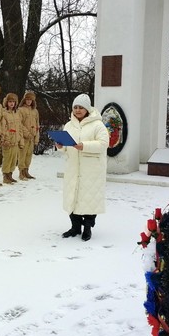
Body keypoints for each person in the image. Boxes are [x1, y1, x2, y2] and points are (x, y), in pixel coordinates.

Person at [54, 94, 108, 241]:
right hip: (73, 168)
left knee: (88, 198)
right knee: (73, 197)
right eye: (75, 107)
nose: (77, 110)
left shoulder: (98, 125)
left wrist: (84, 146)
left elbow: (103, 144)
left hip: (91, 169)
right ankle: (75, 227)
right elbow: (65, 147)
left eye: (81, 107)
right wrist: (60, 145)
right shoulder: (69, 125)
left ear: (87, 109)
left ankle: (87, 228)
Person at [0, 92, 22, 184]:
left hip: (15, 141)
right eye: (10, 102)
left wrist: (20, 139)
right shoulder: (4, 113)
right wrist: (5, 139)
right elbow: (3, 127)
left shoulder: (17, 113)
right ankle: (5, 176)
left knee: (13, 159)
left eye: (13, 101)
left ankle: (10, 175)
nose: (11, 103)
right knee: (7, 159)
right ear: (7, 102)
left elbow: (20, 127)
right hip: (8, 141)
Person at [17, 90, 40, 180]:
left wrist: (36, 136)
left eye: (31, 100)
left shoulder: (35, 111)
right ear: (24, 99)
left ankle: (26, 171)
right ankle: (21, 172)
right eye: (27, 99)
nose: (29, 101)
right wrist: (26, 133)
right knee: (22, 154)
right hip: (24, 137)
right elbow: (19, 124)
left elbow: (37, 124)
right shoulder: (20, 110)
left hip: (32, 137)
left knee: (29, 155)